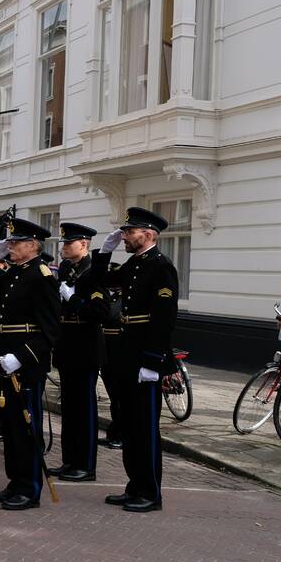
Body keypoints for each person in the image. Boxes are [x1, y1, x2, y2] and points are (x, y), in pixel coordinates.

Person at [94, 206, 179, 513]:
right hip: (126, 355)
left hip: (145, 358)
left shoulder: (161, 266)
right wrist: (104, 252)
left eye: (129, 232)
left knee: (145, 429)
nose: (124, 236)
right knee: (129, 427)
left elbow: (164, 319)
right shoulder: (135, 264)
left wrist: (153, 361)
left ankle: (150, 493)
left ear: (149, 234)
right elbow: (102, 280)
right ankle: (134, 486)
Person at [0, 218, 60, 511]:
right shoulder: (15, 272)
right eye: (9, 242)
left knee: (26, 427)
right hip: (5, 359)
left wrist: (20, 358)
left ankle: (30, 488)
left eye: (16, 242)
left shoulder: (43, 276)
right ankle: (15, 481)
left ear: (33, 245)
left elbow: (49, 330)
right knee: (11, 428)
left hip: (24, 363)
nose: (10, 246)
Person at [49, 223, 110, 483]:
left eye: (68, 243)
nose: (63, 248)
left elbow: (101, 313)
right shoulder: (66, 269)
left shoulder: (92, 271)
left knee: (84, 409)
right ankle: (69, 461)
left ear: (83, 244)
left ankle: (85, 465)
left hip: (85, 347)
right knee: (70, 409)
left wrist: (73, 300)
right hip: (66, 345)